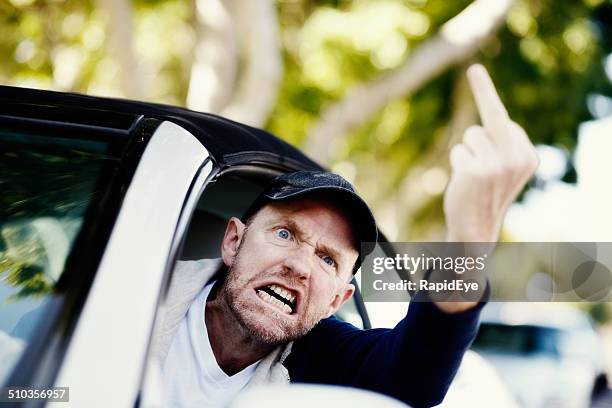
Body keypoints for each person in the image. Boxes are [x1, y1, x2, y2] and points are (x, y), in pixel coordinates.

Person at [148, 64, 539, 407]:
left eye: (328, 259)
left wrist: (469, 244)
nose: (299, 266)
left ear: (338, 299)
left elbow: (412, 377)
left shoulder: (321, 355)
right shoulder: (133, 288)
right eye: (285, 233)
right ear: (234, 240)